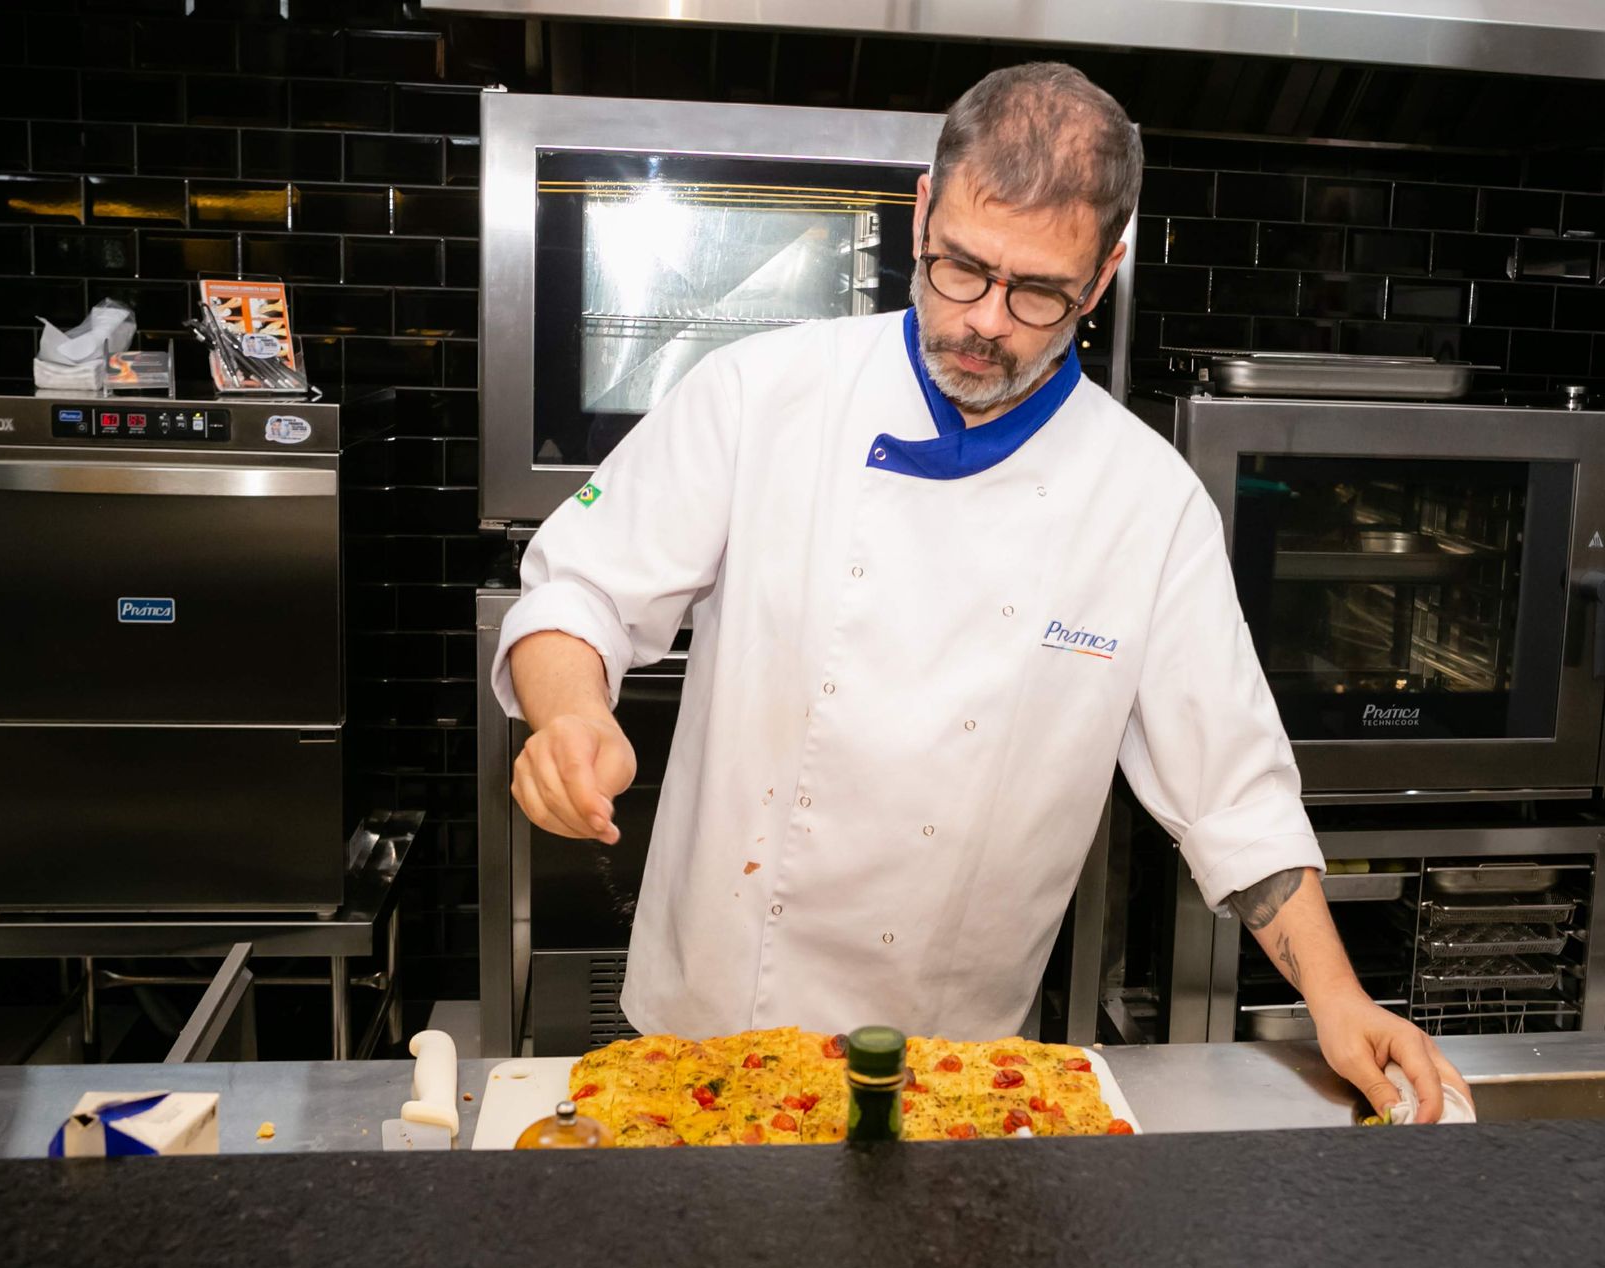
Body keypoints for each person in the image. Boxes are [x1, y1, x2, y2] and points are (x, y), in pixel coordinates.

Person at [493, 62, 1472, 1121]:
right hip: (708, 1034)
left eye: (1038, 290)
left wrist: (1337, 994)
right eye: (961, 267)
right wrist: (572, 713)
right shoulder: (761, 394)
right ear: (923, 210)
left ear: (1103, 276)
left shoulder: (1148, 504)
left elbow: (1233, 796)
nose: (986, 322)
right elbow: (577, 591)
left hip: (957, 1076)